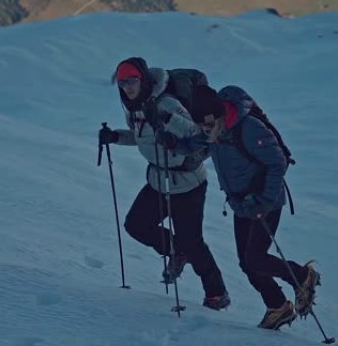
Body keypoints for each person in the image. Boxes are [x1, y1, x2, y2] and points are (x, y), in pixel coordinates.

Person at [164, 84, 320, 330]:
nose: (206, 131)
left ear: (220, 116)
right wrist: (175, 144)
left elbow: (278, 162)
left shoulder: (248, 128)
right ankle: (278, 306)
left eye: (209, 125)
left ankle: (302, 276)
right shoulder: (212, 127)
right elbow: (197, 142)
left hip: (265, 202)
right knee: (247, 262)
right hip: (241, 203)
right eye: (202, 126)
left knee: (255, 258)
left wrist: (265, 200)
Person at [98, 57, 230, 310]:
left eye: (132, 80)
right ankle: (176, 250)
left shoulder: (166, 103)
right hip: (159, 180)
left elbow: (199, 135)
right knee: (136, 225)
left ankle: (217, 293)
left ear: (143, 79)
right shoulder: (134, 107)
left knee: (193, 241)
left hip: (187, 182)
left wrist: (167, 120)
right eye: (123, 82)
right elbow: (142, 139)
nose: (127, 86)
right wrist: (115, 136)